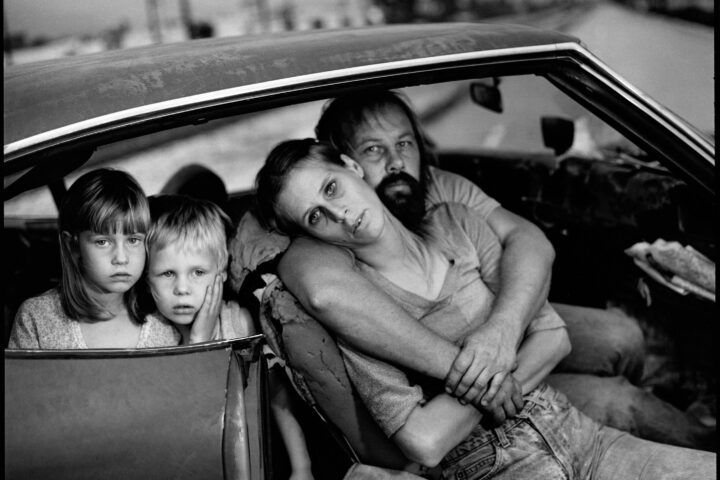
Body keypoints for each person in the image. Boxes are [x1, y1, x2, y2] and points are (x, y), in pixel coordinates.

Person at [256, 90, 708, 448]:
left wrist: (502, 332)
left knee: (621, 337)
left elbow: (528, 241)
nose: (396, 162)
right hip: (465, 394)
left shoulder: (442, 191)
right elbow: (320, 288)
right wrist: (480, 375)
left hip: (506, 337)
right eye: (375, 150)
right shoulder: (324, 234)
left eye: (405, 143)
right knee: (618, 403)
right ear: (347, 160)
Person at [144, 194, 315, 480]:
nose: (182, 288)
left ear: (221, 274)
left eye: (198, 272)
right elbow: (171, 421)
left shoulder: (239, 323)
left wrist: (302, 467)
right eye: (167, 273)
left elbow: (275, 394)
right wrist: (198, 343)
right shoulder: (150, 335)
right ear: (147, 278)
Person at [8, 168, 180, 349]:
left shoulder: (164, 321)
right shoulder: (37, 318)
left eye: (133, 240)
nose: (121, 258)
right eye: (103, 242)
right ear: (72, 245)